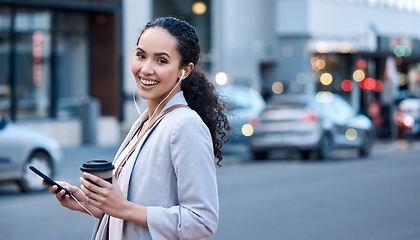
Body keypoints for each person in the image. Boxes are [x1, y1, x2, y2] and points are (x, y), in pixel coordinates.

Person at [44, 16, 231, 240]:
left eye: (161, 60)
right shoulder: (145, 122)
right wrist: (90, 204)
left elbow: (202, 222)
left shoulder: (185, 125)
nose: (146, 69)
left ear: (185, 70)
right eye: (141, 56)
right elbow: (131, 214)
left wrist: (122, 207)